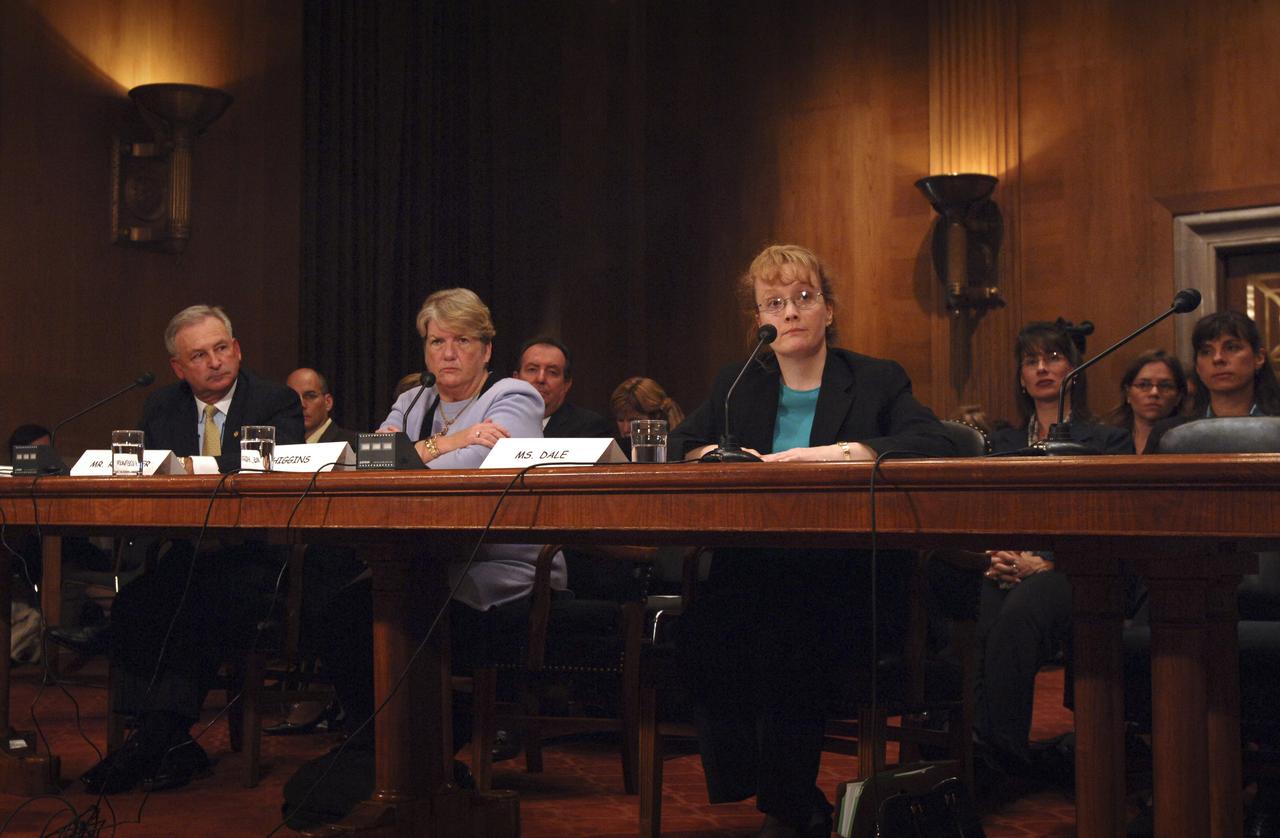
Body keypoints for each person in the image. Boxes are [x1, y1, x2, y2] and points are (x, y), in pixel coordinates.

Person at [669, 244, 955, 838]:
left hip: (854, 577)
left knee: (785, 625)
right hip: (756, 570)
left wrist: (832, 454)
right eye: (775, 302)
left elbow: (933, 439)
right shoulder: (740, 383)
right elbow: (680, 444)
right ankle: (786, 798)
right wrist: (720, 455)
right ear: (760, 322)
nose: (792, 312)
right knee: (698, 629)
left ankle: (787, 806)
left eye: (805, 297)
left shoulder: (875, 379)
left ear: (828, 309)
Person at [315, 288, 557, 769]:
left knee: (395, 615)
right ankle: (380, 749)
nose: (447, 353)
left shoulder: (514, 395)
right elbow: (369, 463)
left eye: (462, 340)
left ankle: (414, 754)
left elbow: (476, 468)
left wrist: (423, 451)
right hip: (425, 558)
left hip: (499, 566)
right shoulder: (414, 398)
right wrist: (450, 440)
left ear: (486, 350)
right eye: (436, 341)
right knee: (339, 615)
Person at [71, 304, 303, 795]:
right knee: (137, 604)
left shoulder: (274, 400)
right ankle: (168, 741)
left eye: (223, 348)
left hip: (253, 557)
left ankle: (155, 741)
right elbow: (151, 471)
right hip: (186, 549)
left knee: (198, 605)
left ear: (237, 350)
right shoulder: (162, 406)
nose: (216, 361)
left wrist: (187, 466)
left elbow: (271, 464)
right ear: (179, 368)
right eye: (200, 355)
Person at [974, 322, 1132, 789]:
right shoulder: (1000, 445)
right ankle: (975, 749)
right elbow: (981, 514)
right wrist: (993, 554)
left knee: (1023, 608)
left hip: (1078, 570)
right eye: (1031, 360)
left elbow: (1116, 524)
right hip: (1006, 566)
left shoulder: (1108, 442)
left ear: (1075, 369)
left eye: (1054, 357)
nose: (1042, 368)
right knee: (977, 600)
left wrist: (1047, 563)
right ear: (1020, 377)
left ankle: (1002, 756)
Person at [1145, 310, 1280, 451]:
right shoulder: (1168, 433)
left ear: (1259, 357)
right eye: (1206, 351)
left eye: (1231, 347)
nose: (1217, 359)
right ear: (1197, 366)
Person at [513, 336, 613, 437]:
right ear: (516, 379)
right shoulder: (499, 423)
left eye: (552, 372)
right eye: (532, 369)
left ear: (566, 384)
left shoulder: (589, 428)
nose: (541, 379)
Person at [1104, 349, 1187, 455]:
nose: (1154, 392)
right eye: (1143, 385)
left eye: (1165, 386)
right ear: (1128, 394)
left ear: (1178, 397)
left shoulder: (1188, 439)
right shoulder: (1110, 440)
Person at [609, 376, 685, 458]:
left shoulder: (684, 452)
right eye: (620, 420)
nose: (625, 429)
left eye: (633, 421)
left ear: (657, 418)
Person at [287, 367, 360, 447]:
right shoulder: (277, 447)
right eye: (292, 397)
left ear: (328, 402)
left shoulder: (355, 445)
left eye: (310, 396)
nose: (302, 405)